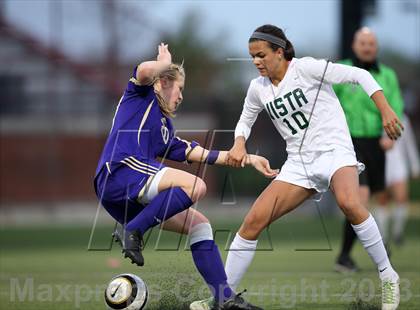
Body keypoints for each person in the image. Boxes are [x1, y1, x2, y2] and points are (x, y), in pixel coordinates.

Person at [190, 25, 402, 310]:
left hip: (335, 151)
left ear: (280, 52)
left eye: (261, 55)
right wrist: (239, 143)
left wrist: (386, 110)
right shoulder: (258, 88)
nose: (256, 61)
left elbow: (359, 74)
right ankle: (222, 297)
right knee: (252, 222)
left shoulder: (307, 69)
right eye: (252, 56)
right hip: (299, 164)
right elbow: (245, 120)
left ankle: (388, 276)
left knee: (349, 203)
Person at [93, 43, 276, 310]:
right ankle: (133, 230)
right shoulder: (140, 96)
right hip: (119, 173)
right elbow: (144, 70)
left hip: (126, 194)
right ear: (164, 82)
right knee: (196, 186)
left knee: (200, 225)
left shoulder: (165, 127)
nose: (180, 97)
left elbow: (201, 153)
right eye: (179, 89)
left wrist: (249, 159)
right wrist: (164, 61)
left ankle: (224, 298)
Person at [333, 27, 404, 273]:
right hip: (348, 142)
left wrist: (389, 136)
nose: (366, 47)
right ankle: (355, 254)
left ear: (376, 47)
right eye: (362, 42)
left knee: (369, 199)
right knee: (359, 197)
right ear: (354, 45)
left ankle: (347, 255)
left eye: (371, 43)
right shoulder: (341, 71)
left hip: (376, 143)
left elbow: (395, 106)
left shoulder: (388, 75)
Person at [382, 114, 419, 245]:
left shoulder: (403, 118)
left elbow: (409, 143)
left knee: (401, 197)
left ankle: (398, 232)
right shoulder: (375, 117)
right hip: (382, 163)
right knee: (383, 200)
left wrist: (414, 165)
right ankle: (383, 236)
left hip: (398, 163)